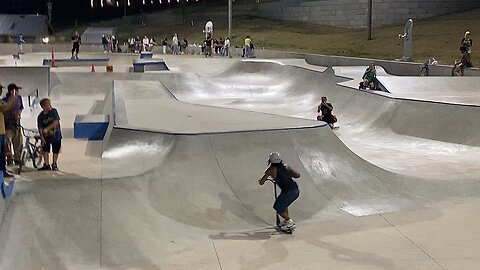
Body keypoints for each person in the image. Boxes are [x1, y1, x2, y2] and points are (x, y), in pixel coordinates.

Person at [258, 152, 300, 231]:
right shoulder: (285, 167)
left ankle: (290, 222)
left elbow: (261, 182)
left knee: (278, 207)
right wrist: (286, 174)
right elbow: (297, 175)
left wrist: (262, 180)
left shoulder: (271, 170)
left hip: (288, 192)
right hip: (295, 190)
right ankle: (286, 222)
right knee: (284, 204)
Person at [37, 99, 62, 171]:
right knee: (45, 151)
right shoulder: (40, 116)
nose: (50, 106)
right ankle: (46, 164)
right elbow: (40, 128)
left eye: (50, 104)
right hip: (46, 137)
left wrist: (47, 129)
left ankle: (54, 164)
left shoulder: (54, 111)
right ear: (43, 107)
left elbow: (56, 122)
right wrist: (41, 137)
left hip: (56, 135)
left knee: (55, 150)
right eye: (48, 104)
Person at [0, 84, 18, 177]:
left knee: (2, 153)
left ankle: (3, 172)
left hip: (2, 130)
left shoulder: (0, 100)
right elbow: (4, 109)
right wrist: (12, 99)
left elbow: (6, 106)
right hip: (0, 131)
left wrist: (12, 100)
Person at [3, 84, 23, 166]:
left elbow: (21, 108)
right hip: (8, 123)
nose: (18, 92)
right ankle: (9, 158)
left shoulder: (19, 98)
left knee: (18, 140)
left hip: (17, 122)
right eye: (16, 90)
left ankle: (17, 158)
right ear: (12, 91)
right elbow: (5, 110)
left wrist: (19, 113)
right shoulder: (5, 100)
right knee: (7, 141)